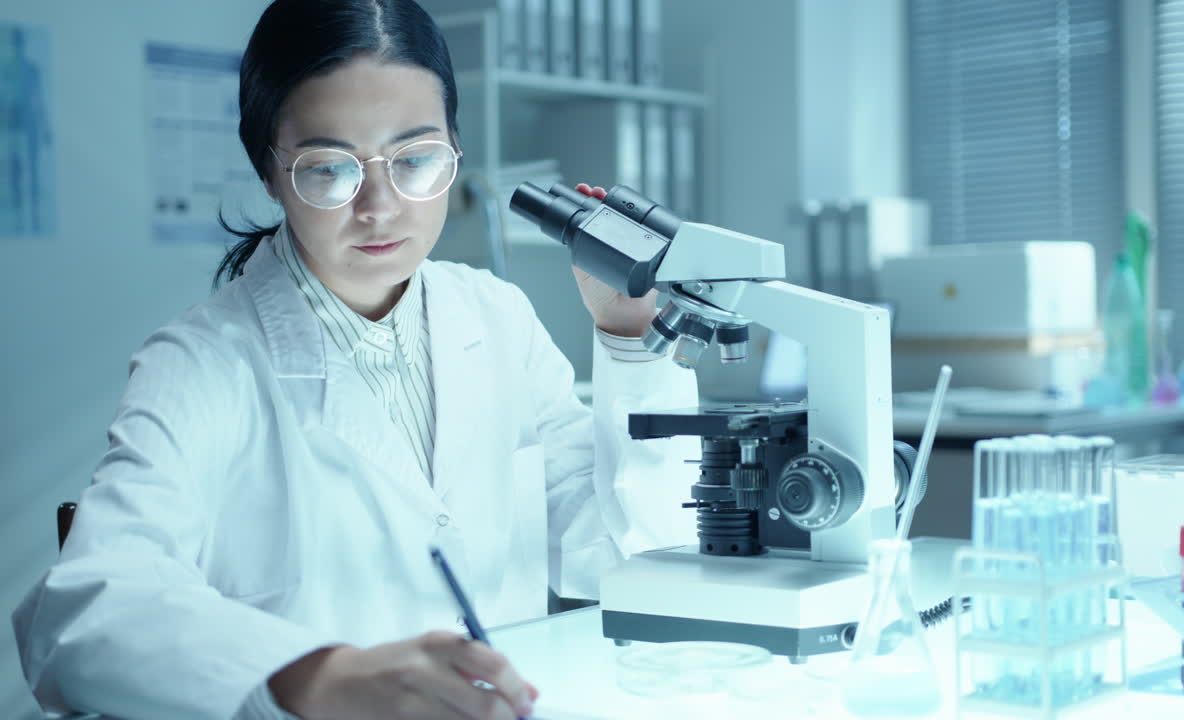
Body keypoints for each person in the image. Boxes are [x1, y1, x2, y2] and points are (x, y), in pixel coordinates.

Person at [11, 1, 698, 719]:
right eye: (329, 169)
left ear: (455, 150)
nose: (381, 205)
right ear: (270, 172)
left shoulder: (496, 318)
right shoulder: (200, 363)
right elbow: (81, 616)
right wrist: (319, 679)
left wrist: (628, 338)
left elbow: (620, 553)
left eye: (417, 160)